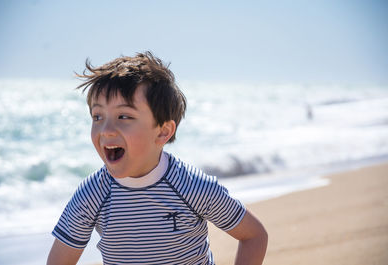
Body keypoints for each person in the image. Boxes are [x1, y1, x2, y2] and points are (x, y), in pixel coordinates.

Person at [47, 52, 268, 265]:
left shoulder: (191, 187)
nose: (106, 130)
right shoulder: (92, 195)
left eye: (124, 116)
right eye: (98, 116)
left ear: (163, 132)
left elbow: (254, 236)